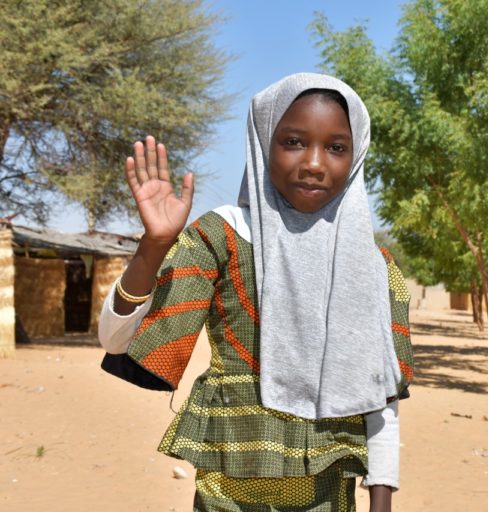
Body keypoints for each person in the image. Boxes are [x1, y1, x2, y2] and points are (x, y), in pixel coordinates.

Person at [98, 73, 414, 512]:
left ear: (356, 155)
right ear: (263, 142)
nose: (314, 163)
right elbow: (117, 341)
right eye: (294, 142)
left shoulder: (371, 266)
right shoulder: (222, 237)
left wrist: (381, 501)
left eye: (336, 147)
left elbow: (381, 400)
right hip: (226, 498)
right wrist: (154, 246)